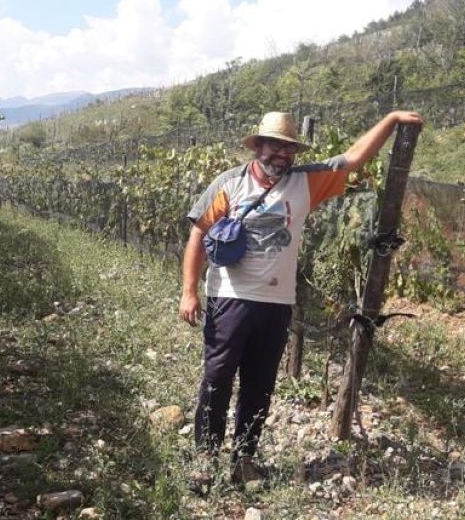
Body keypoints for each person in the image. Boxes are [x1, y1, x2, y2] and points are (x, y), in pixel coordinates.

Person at [179, 109, 423, 488]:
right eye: (275, 146)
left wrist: (391, 120)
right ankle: (205, 460)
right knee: (217, 378)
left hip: (277, 303)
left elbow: (354, 157)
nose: (282, 155)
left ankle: (244, 458)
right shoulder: (229, 184)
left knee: (260, 385)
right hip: (228, 298)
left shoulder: (305, 183)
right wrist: (189, 292)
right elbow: (198, 235)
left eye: (289, 148)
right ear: (258, 146)